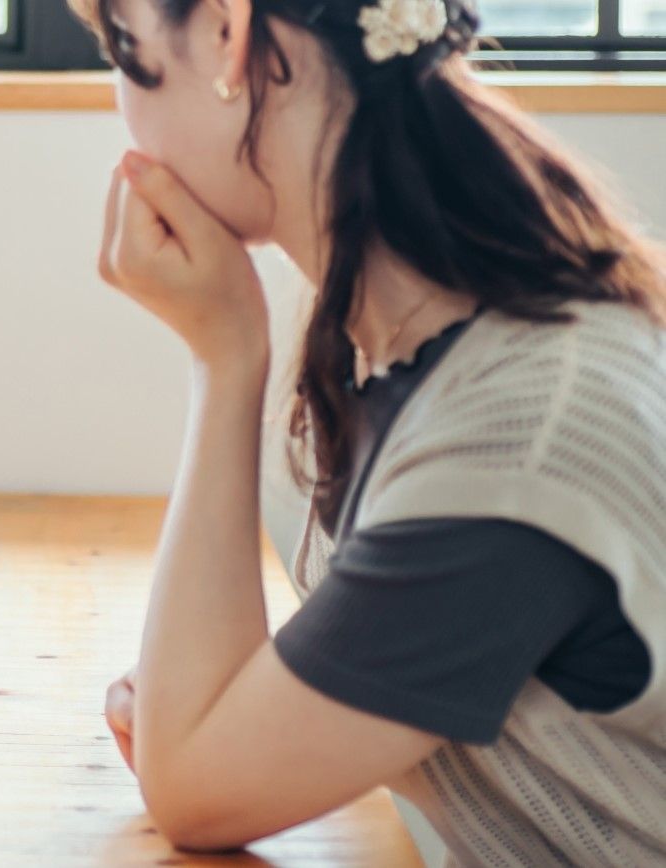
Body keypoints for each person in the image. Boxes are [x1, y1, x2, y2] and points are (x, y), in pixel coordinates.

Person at [74, 0, 666, 861]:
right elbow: (206, 745)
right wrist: (218, 713)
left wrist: (225, 359)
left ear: (227, 35)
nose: (120, 103)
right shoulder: (404, 320)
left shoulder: (513, 437)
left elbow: (193, 792)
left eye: (121, 51)